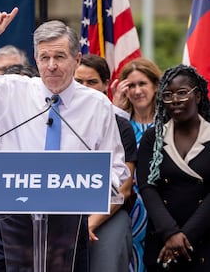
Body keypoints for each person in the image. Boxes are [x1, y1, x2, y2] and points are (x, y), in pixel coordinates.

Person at [0, 8, 129, 271]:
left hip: (68, 224)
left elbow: (117, 169)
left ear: (76, 60)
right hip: (12, 220)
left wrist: (85, 185)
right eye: (45, 57)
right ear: (36, 59)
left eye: (59, 57)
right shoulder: (11, 91)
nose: (51, 65)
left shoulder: (97, 104)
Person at [137, 64, 210, 271]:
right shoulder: (153, 137)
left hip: (204, 240)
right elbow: (147, 186)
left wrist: (185, 237)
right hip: (163, 241)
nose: (175, 100)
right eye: (167, 95)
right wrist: (170, 234)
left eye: (182, 93)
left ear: (197, 96)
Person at [74, 54, 136, 272]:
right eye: (78, 81)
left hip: (108, 216)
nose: (85, 87)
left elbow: (124, 189)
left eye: (92, 82)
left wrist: (90, 224)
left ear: (105, 85)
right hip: (65, 216)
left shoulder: (121, 126)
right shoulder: (55, 120)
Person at [111, 57, 162, 272]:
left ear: (155, 86)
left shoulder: (167, 125)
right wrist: (115, 104)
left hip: (160, 210)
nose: (137, 91)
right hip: (127, 208)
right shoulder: (121, 124)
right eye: (131, 85)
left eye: (142, 84)